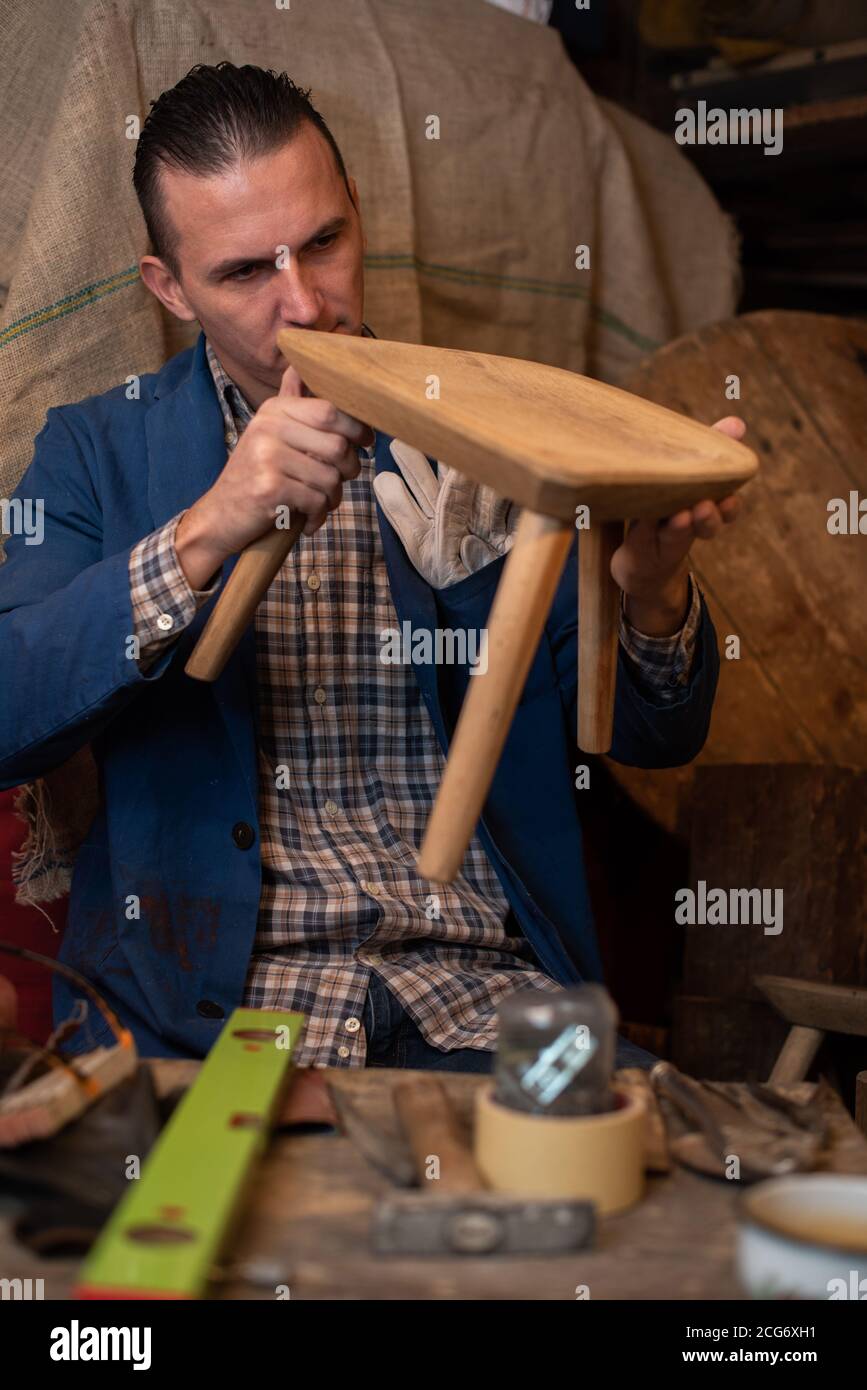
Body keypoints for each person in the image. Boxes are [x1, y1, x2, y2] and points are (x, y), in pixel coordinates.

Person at [0, 63, 744, 1071]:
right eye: (244, 273)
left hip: (486, 999)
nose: (304, 304)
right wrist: (206, 530)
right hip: (220, 1015)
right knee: (202, 1177)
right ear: (168, 287)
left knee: (656, 1161)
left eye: (323, 243)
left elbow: (652, 740)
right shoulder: (97, 451)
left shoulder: (490, 426)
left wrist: (650, 594)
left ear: (357, 210)